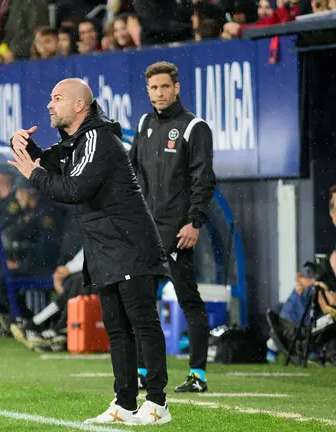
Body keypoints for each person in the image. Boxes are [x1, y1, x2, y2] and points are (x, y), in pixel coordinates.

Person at [9, 78, 172, 425]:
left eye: (57, 98)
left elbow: (74, 189)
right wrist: (22, 145)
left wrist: (33, 174)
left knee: (142, 324)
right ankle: (124, 404)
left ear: (79, 105)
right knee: (117, 330)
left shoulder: (98, 138)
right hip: (104, 250)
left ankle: (157, 404)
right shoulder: (77, 142)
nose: (50, 105)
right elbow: (48, 161)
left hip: (130, 246)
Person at [129, 61, 216, 393]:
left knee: (188, 299)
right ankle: (142, 371)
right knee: (140, 302)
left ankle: (197, 375)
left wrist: (194, 222)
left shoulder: (194, 127)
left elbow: (203, 179)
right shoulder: (144, 123)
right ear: (147, 91)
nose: (160, 93)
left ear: (176, 88)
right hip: (145, 231)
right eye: (154, 88)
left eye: (165, 86)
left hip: (177, 232)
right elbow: (133, 172)